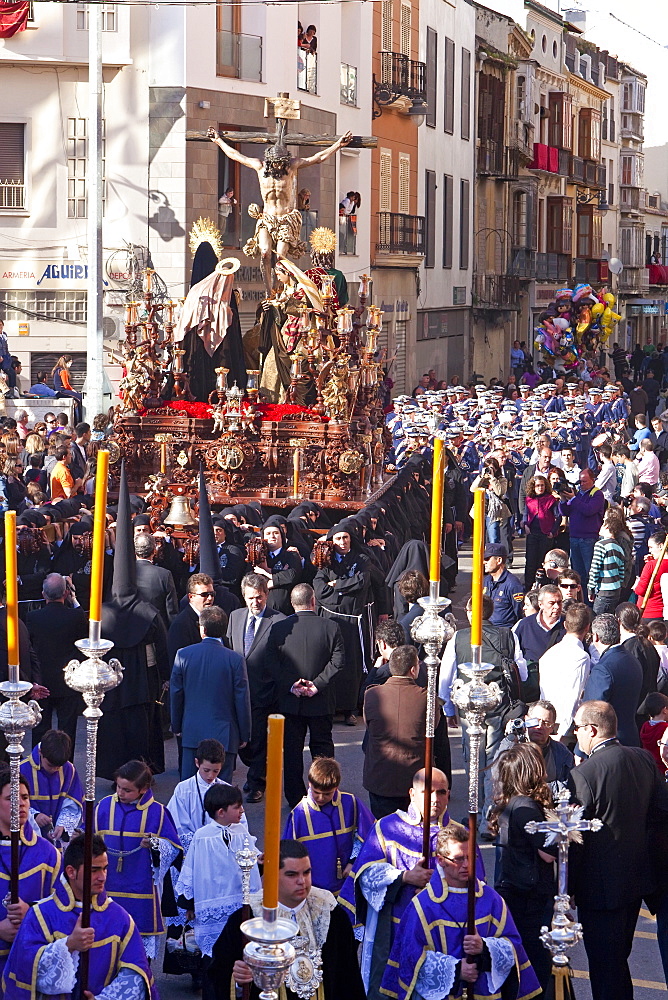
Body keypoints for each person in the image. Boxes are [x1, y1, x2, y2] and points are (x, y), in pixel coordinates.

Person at [568, 701, 668, 1000]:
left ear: (592, 729)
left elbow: (576, 837)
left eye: (578, 728)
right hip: (637, 879)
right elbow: (661, 812)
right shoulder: (643, 759)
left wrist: (568, 888)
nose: (576, 734)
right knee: (618, 957)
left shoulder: (585, 774)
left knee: (604, 965)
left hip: (599, 888)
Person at [380, 821, 541, 1000]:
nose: (466, 865)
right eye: (458, 859)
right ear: (441, 860)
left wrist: (485, 948)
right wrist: (455, 970)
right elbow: (410, 958)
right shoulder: (423, 905)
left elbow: (513, 945)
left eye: (470, 857)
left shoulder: (491, 900)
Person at [338, 769, 452, 1000]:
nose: (435, 799)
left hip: (441, 935)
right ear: (412, 793)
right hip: (392, 931)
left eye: (441, 792)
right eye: (427, 792)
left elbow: (476, 886)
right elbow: (364, 875)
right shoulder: (388, 828)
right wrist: (404, 878)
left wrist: (438, 888)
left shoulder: (459, 835)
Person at [2, 832, 153, 1000]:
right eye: (94, 870)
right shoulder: (40, 915)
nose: (102, 877)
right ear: (71, 872)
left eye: (104, 868)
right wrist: (68, 945)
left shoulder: (119, 918)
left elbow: (135, 974)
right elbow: (24, 971)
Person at [208, 839, 365, 1000]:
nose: (302, 881)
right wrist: (237, 981)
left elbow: (349, 979)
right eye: (292, 874)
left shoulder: (331, 914)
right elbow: (217, 975)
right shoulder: (246, 919)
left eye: (306, 872)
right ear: (272, 875)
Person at [207, 123, 352, 293]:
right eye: (275, 163)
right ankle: (269, 292)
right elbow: (235, 155)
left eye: (281, 163)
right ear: (269, 160)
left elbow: (317, 157)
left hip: (285, 219)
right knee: (265, 253)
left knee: (281, 257)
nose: (278, 167)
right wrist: (218, 141)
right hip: (267, 218)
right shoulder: (259, 167)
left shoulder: (291, 167)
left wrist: (337, 145)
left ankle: (278, 289)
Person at [98, 464, 170, 779]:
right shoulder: (148, 613)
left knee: (114, 731)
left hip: (112, 684)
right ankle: (140, 776)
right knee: (140, 731)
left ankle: (116, 774)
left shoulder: (103, 612)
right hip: (141, 683)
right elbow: (163, 649)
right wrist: (165, 677)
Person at [94, 759, 181, 959]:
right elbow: (88, 836)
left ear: (143, 789)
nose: (121, 793)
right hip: (107, 885)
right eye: (118, 787)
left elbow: (174, 849)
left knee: (138, 954)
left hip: (141, 888)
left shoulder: (157, 812)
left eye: (127, 790)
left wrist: (155, 845)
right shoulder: (104, 806)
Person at [267, 583, 344, 807]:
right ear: (313, 601)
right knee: (322, 749)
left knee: (291, 751)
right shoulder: (331, 627)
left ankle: (295, 799)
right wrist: (317, 684)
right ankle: (325, 791)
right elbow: (338, 662)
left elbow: (271, 663)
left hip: (291, 702)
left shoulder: (279, 628)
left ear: (292, 604)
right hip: (321, 701)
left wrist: (291, 685)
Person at [489, 743, 556, 990]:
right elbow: (548, 853)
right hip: (529, 897)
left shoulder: (514, 803)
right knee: (535, 961)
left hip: (515, 889)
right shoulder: (527, 808)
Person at [175, 783, 261, 958]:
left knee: (239, 947)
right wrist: (188, 905)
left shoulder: (241, 832)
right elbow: (191, 871)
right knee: (215, 955)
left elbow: (250, 859)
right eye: (237, 807)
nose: (242, 811)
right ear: (221, 812)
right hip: (211, 900)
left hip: (239, 901)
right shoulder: (202, 836)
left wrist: (259, 860)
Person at [171, 605, 251, 782]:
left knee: (189, 790)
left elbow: (176, 694)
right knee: (222, 792)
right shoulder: (235, 659)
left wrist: (176, 725)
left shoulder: (183, 655)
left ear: (202, 629)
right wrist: (244, 733)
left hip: (192, 733)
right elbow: (242, 699)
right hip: (225, 735)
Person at [227, 572, 285, 803]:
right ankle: (256, 772)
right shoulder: (235, 617)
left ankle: (256, 782)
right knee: (244, 743)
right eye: (250, 598)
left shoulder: (279, 621)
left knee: (260, 740)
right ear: (243, 596)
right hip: (239, 692)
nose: (255, 602)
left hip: (265, 692)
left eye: (259, 597)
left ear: (266, 595)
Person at [0, 768, 61, 981]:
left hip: (30, 966)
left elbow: (63, 908)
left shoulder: (49, 854)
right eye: (11, 798)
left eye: (25, 797)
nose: (21, 803)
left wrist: (31, 914)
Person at [283, 757, 374, 894]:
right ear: (309, 784)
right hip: (314, 890)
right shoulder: (299, 815)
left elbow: (368, 836)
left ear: (336, 788)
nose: (320, 798)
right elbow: (287, 855)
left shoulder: (351, 803)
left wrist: (353, 862)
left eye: (327, 794)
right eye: (316, 792)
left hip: (348, 883)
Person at [313, 522, 373, 725]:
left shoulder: (361, 559)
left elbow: (362, 581)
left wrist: (337, 585)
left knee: (352, 665)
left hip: (353, 620)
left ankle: (349, 709)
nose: (342, 542)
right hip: (332, 620)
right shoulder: (326, 561)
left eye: (345, 537)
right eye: (338, 538)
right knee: (331, 663)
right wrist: (346, 590)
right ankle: (331, 707)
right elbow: (320, 591)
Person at [363, 645, 427, 819]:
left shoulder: (372, 694)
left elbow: (369, 726)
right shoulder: (425, 698)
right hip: (413, 779)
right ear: (413, 670)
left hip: (379, 777)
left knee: (383, 831)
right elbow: (432, 730)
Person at [26, 573, 88, 750]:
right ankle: (65, 767)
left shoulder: (33, 617)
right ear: (66, 593)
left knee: (39, 729)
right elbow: (84, 643)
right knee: (67, 731)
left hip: (42, 682)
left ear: (43, 594)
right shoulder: (75, 617)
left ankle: (38, 767)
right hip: (68, 680)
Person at [583, 614, 643, 747]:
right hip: (631, 737)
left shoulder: (603, 669)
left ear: (596, 637)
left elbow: (593, 711)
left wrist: (580, 749)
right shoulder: (632, 660)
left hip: (608, 743)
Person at [539, 603, 591, 741]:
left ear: (565, 625)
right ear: (587, 627)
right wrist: (562, 732)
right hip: (564, 728)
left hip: (546, 721)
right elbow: (574, 694)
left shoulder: (549, 654)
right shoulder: (581, 657)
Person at [20, 730, 83, 843]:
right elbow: (13, 804)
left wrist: (62, 824)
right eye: (50, 765)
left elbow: (72, 803)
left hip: (57, 838)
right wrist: (34, 816)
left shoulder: (68, 769)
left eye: (59, 767)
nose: (55, 770)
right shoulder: (21, 770)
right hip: (29, 835)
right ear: (40, 752)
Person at [559, 467, 606, 586]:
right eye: (580, 481)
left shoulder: (597, 494)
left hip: (588, 538)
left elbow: (589, 510)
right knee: (576, 574)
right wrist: (563, 500)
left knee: (589, 573)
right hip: (574, 537)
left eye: (585, 481)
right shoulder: (577, 494)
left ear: (593, 480)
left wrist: (573, 499)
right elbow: (565, 512)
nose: (582, 484)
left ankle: (589, 599)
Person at [251, 518, 302, 615]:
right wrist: (280, 575)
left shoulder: (291, 555)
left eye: (275, 533)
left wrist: (267, 572)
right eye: (268, 534)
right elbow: (251, 577)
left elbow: (291, 576)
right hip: (261, 611)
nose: (272, 536)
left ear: (282, 536)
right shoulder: (257, 556)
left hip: (286, 612)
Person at [167, 572, 215, 666]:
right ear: (191, 597)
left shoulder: (214, 618)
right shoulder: (180, 625)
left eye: (212, 594)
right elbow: (178, 661)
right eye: (204, 594)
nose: (210, 598)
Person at [522, 474, 561, 589]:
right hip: (532, 534)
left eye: (542, 485)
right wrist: (525, 525)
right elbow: (525, 514)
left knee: (543, 562)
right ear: (533, 487)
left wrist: (552, 532)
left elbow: (558, 517)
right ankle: (528, 586)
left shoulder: (551, 499)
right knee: (530, 562)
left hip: (545, 535)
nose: (540, 488)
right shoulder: (529, 499)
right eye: (538, 486)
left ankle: (544, 586)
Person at [134, 533, 178, 630]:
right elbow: (171, 610)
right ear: (154, 551)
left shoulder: (125, 572)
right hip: (156, 630)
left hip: (130, 629)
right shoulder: (164, 575)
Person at [588, 518, 628, 613]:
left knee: (597, 619)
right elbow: (621, 572)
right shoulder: (619, 548)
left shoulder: (600, 545)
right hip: (616, 590)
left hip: (604, 590)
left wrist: (591, 589)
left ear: (607, 527)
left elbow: (595, 569)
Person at [482, 542, 524, 628]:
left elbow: (520, 613)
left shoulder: (513, 584)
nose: (484, 562)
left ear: (499, 560)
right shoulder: (486, 581)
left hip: (503, 633)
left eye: (487, 559)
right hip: (485, 630)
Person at [633, 530, 668, 620]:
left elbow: (640, 590)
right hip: (663, 612)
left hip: (649, 612)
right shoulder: (652, 564)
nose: (649, 551)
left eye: (651, 547)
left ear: (661, 546)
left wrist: (636, 585)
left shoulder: (651, 566)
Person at [639, 691, 668, 772]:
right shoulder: (665, 728)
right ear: (664, 710)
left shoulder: (645, 726)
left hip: (648, 766)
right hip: (662, 768)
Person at [50, 355, 82, 421]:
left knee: (77, 398)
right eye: (70, 363)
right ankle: (80, 419)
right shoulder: (63, 371)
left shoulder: (57, 370)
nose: (71, 365)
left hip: (58, 391)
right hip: (62, 390)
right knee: (80, 397)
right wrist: (73, 390)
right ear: (67, 362)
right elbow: (66, 385)